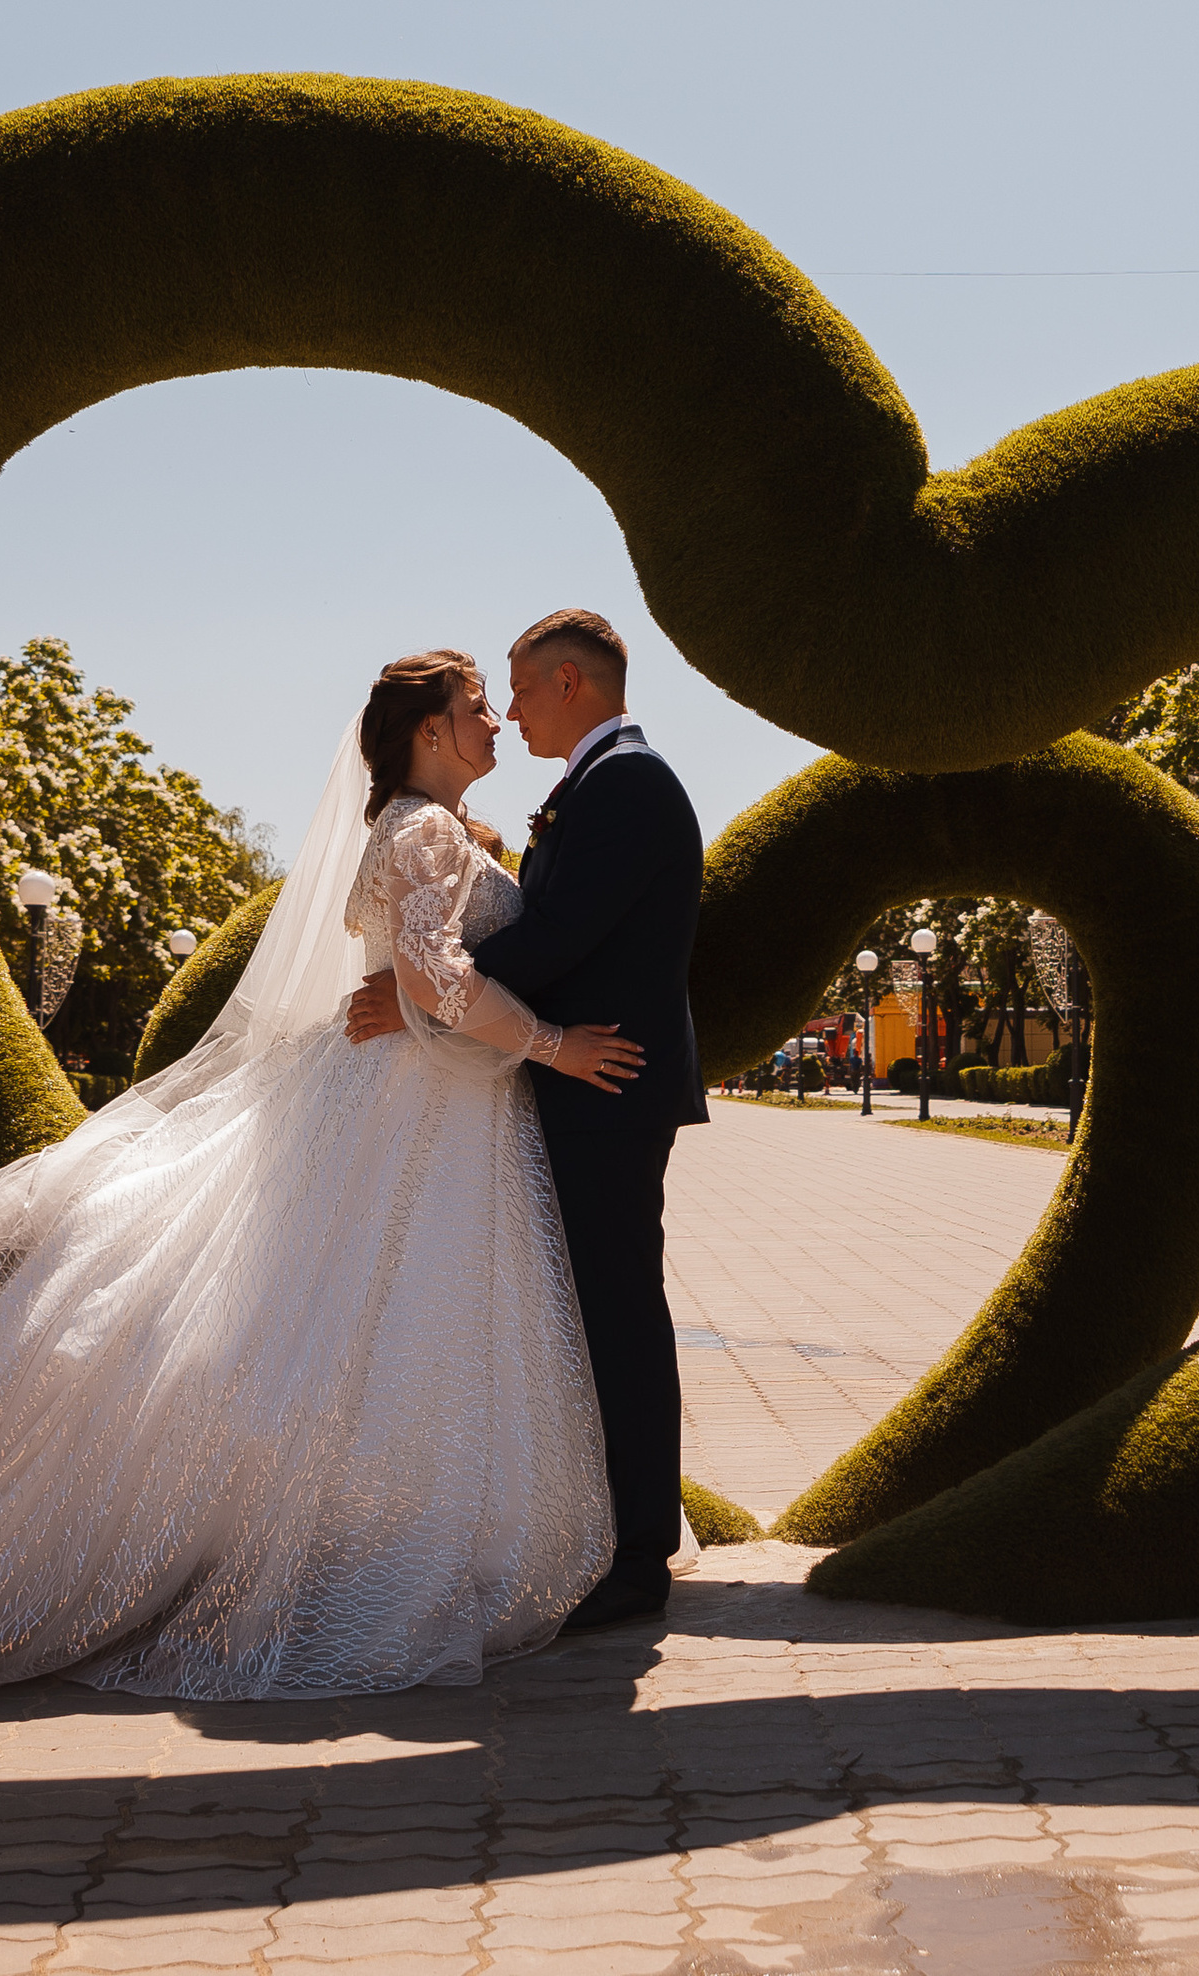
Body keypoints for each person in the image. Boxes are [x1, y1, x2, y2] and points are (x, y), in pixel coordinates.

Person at [0, 653, 647, 1707]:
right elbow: (430, 974)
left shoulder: (437, 828)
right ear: (427, 732)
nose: (495, 723)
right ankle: (371, 1544)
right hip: (419, 1105)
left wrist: (427, 982)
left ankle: (391, 1527)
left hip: (433, 1095)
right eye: (476, 709)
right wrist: (555, 1045)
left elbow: (411, 973)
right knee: (389, 1314)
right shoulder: (424, 829)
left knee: (390, 1318)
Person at [347, 608, 705, 1635]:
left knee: (619, 1315)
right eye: (479, 703)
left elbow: (551, 937)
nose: (504, 714)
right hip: (574, 1085)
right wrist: (419, 989)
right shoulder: (589, 786)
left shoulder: (624, 782)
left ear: (566, 684)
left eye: (513, 689)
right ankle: (609, 1531)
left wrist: (414, 998)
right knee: (583, 1317)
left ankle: (638, 1554)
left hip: (608, 1089)